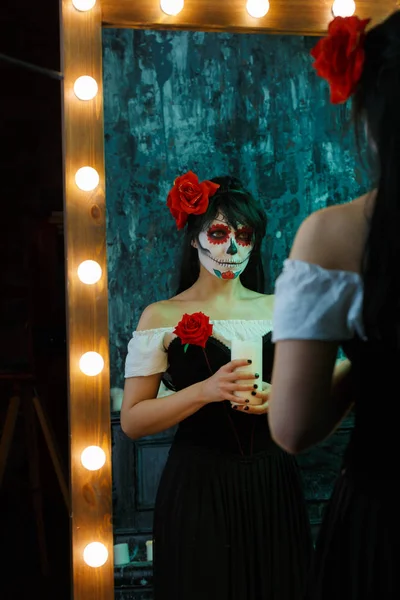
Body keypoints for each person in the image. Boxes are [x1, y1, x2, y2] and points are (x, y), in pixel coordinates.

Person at [121, 171, 313, 600]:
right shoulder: (160, 316)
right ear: (195, 238)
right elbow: (132, 421)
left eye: (243, 236)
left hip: (272, 484)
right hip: (198, 487)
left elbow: (312, 395)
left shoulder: (280, 308)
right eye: (220, 232)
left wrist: (278, 399)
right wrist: (204, 390)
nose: (231, 247)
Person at [269, 12, 400, 599]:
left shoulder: (333, 235)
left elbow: (293, 428)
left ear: (372, 119)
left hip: (387, 523)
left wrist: (363, 369)